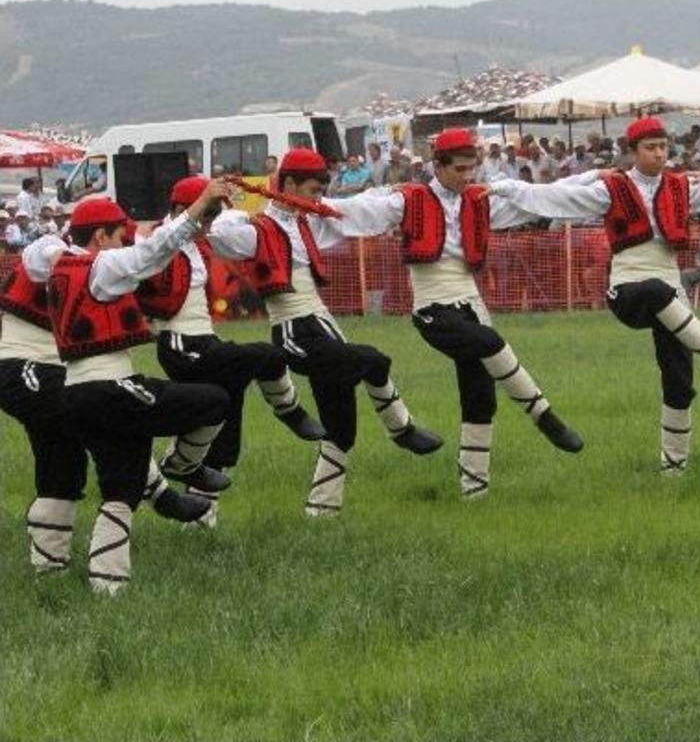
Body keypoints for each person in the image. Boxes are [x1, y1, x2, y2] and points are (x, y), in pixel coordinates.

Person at [490, 116, 700, 474]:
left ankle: (674, 468)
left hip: (671, 291)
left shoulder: (683, 187)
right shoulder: (609, 188)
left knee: (680, 381)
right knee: (655, 289)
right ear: (632, 151)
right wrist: (507, 189)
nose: (658, 154)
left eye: (662, 147)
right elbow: (555, 196)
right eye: (650, 148)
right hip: (627, 287)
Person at [205, 147, 442, 516]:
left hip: (325, 329)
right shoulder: (256, 230)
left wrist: (403, 197)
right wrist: (231, 207)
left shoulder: (309, 222)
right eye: (313, 190)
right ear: (287, 184)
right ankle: (402, 428)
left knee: (341, 429)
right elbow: (221, 235)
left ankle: (321, 511)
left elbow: (359, 211)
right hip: (295, 335)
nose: (318, 199)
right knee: (374, 360)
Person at [24, 188, 235, 594]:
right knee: (214, 400)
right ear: (101, 237)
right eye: (120, 235)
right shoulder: (101, 268)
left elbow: (38, 254)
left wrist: (57, 247)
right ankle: (184, 466)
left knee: (121, 487)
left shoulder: (55, 265)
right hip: (111, 388)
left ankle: (107, 586)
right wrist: (195, 210)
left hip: (74, 395)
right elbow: (155, 251)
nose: (126, 242)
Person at [395, 127, 583, 499]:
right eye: (460, 170)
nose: (468, 177)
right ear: (438, 165)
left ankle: (474, 489)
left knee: (480, 395)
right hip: (433, 308)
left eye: (472, 170)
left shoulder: (481, 201)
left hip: (471, 304)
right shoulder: (408, 201)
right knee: (489, 340)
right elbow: (356, 210)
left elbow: (543, 198)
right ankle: (543, 415)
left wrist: (597, 179)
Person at [134, 175, 326, 526]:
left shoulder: (200, 241)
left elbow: (234, 222)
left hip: (206, 342)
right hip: (180, 345)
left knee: (226, 406)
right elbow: (143, 253)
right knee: (267, 355)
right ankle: (289, 411)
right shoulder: (157, 241)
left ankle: (202, 517)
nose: (209, 226)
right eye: (206, 216)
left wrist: (239, 205)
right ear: (181, 210)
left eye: (212, 218)